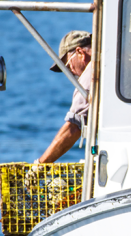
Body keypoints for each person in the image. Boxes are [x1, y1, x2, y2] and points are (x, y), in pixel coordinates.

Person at [24, 31, 93, 186]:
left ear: (80, 53)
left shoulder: (92, 73)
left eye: (68, 67)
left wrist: (39, 167)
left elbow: (74, 127)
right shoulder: (123, 58)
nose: (71, 74)